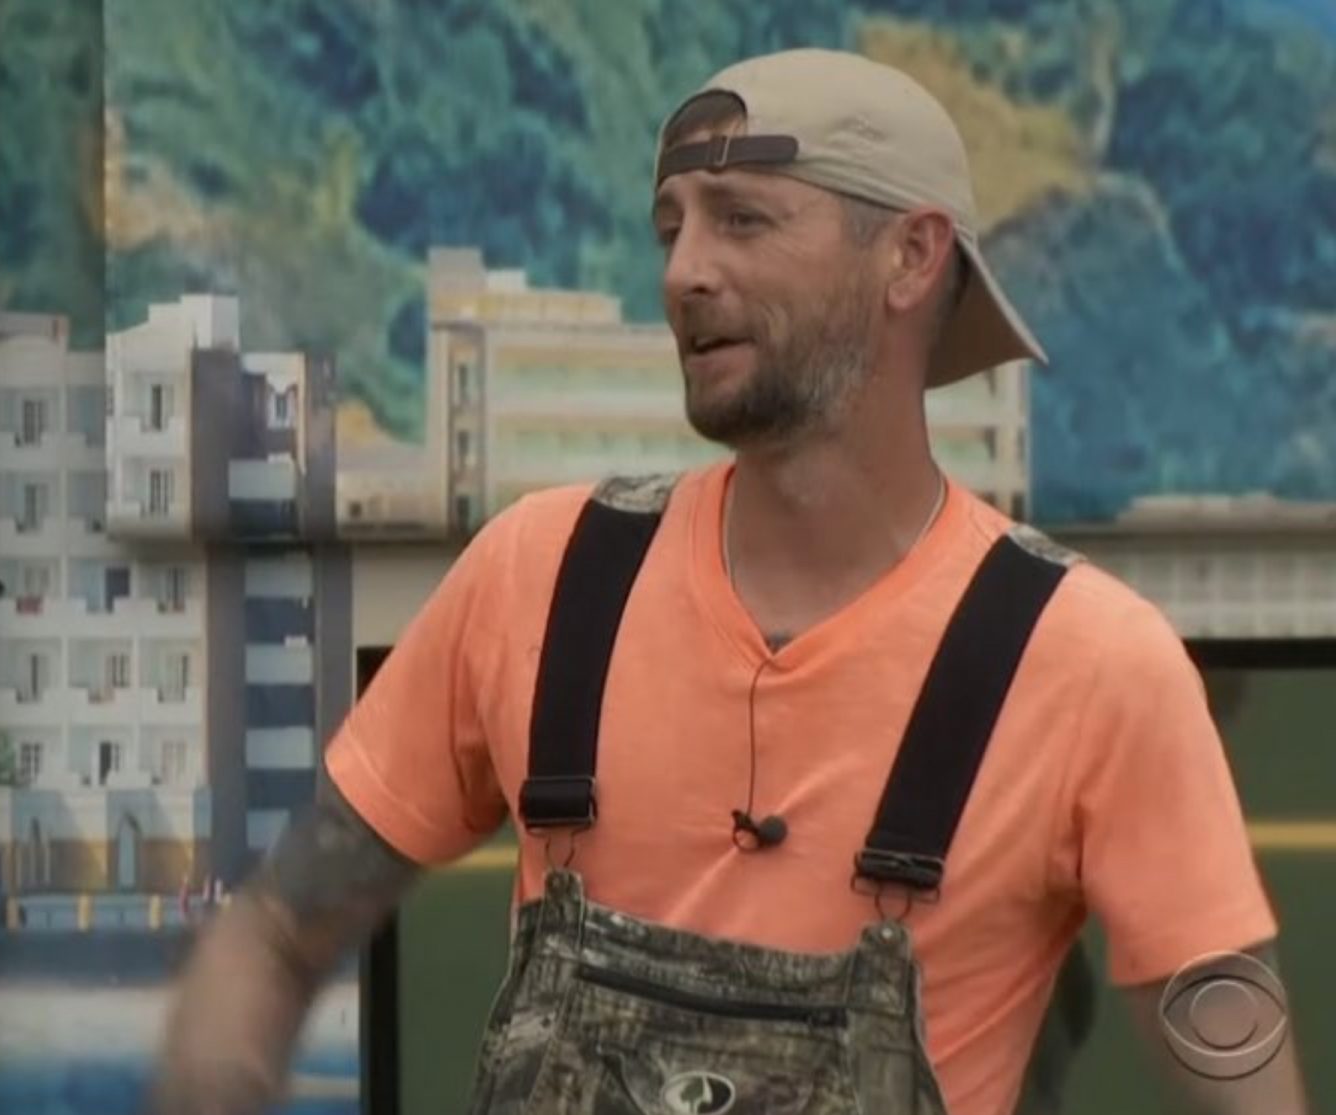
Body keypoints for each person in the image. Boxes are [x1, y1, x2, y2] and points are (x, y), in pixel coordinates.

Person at [143, 48, 1309, 1115]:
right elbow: (273, 931)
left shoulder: (1090, 662)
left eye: (743, 220)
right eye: (672, 229)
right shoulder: (539, 578)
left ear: (912, 256)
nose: (685, 273)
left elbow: (1239, 1059)